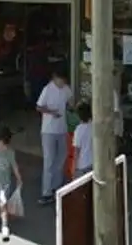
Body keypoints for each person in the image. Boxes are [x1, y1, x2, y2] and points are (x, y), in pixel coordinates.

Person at [35, 66, 73, 205]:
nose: (62, 83)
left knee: (61, 157)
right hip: (48, 130)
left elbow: (70, 102)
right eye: (60, 80)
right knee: (49, 160)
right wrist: (51, 112)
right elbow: (39, 107)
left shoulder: (66, 89)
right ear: (55, 78)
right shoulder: (47, 89)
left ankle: (56, 186)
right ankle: (46, 192)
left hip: (62, 129)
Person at [72, 101, 93, 179]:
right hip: (93, 163)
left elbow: (76, 151)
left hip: (82, 165)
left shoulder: (79, 130)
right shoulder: (94, 127)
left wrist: (73, 169)